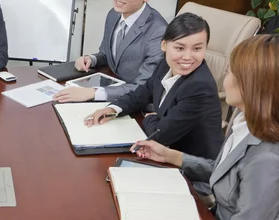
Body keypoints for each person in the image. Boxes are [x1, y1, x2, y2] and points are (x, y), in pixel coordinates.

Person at [133, 34, 279, 220]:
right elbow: (230, 175)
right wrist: (172, 156)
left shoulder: (268, 158)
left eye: (232, 72)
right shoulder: (244, 121)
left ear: (253, 85)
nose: (225, 78)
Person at [84, 13, 223, 160]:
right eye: (180, 48)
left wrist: (150, 118)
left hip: (193, 166)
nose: (188, 57)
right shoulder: (165, 64)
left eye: (197, 49)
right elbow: (142, 94)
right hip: (167, 152)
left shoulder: (199, 86)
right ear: (164, 45)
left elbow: (161, 135)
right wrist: (112, 109)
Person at [54, 0, 167, 103]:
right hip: (112, 89)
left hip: (136, 104)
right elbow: (108, 55)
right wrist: (92, 59)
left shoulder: (158, 32)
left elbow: (145, 87)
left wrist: (93, 93)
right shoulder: (113, 14)